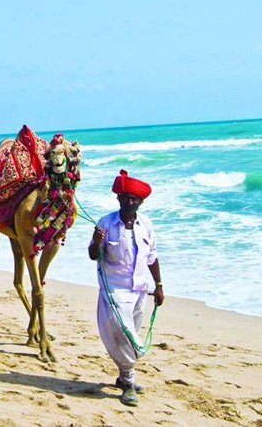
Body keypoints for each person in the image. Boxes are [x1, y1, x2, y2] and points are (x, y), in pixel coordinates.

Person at [87, 169, 164, 408]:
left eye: (135, 199)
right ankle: (129, 382)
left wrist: (159, 285)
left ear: (140, 202)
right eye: (126, 198)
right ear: (118, 199)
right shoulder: (106, 223)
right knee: (121, 333)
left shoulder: (147, 224)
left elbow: (152, 257)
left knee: (131, 338)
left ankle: (122, 377)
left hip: (140, 289)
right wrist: (97, 241)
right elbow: (93, 255)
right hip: (114, 291)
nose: (130, 202)